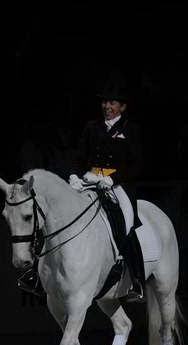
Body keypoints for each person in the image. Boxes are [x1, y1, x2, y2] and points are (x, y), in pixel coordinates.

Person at [69, 74, 145, 301]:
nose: (107, 106)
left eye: (112, 103)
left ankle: (136, 280)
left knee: (126, 224)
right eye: (104, 102)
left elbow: (138, 163)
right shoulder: (91, 127)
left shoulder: (130, 130)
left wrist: (113, 179)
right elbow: (79, 155)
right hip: (90, 179)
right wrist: (73, 174)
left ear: (122, 106)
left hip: (117, 184)